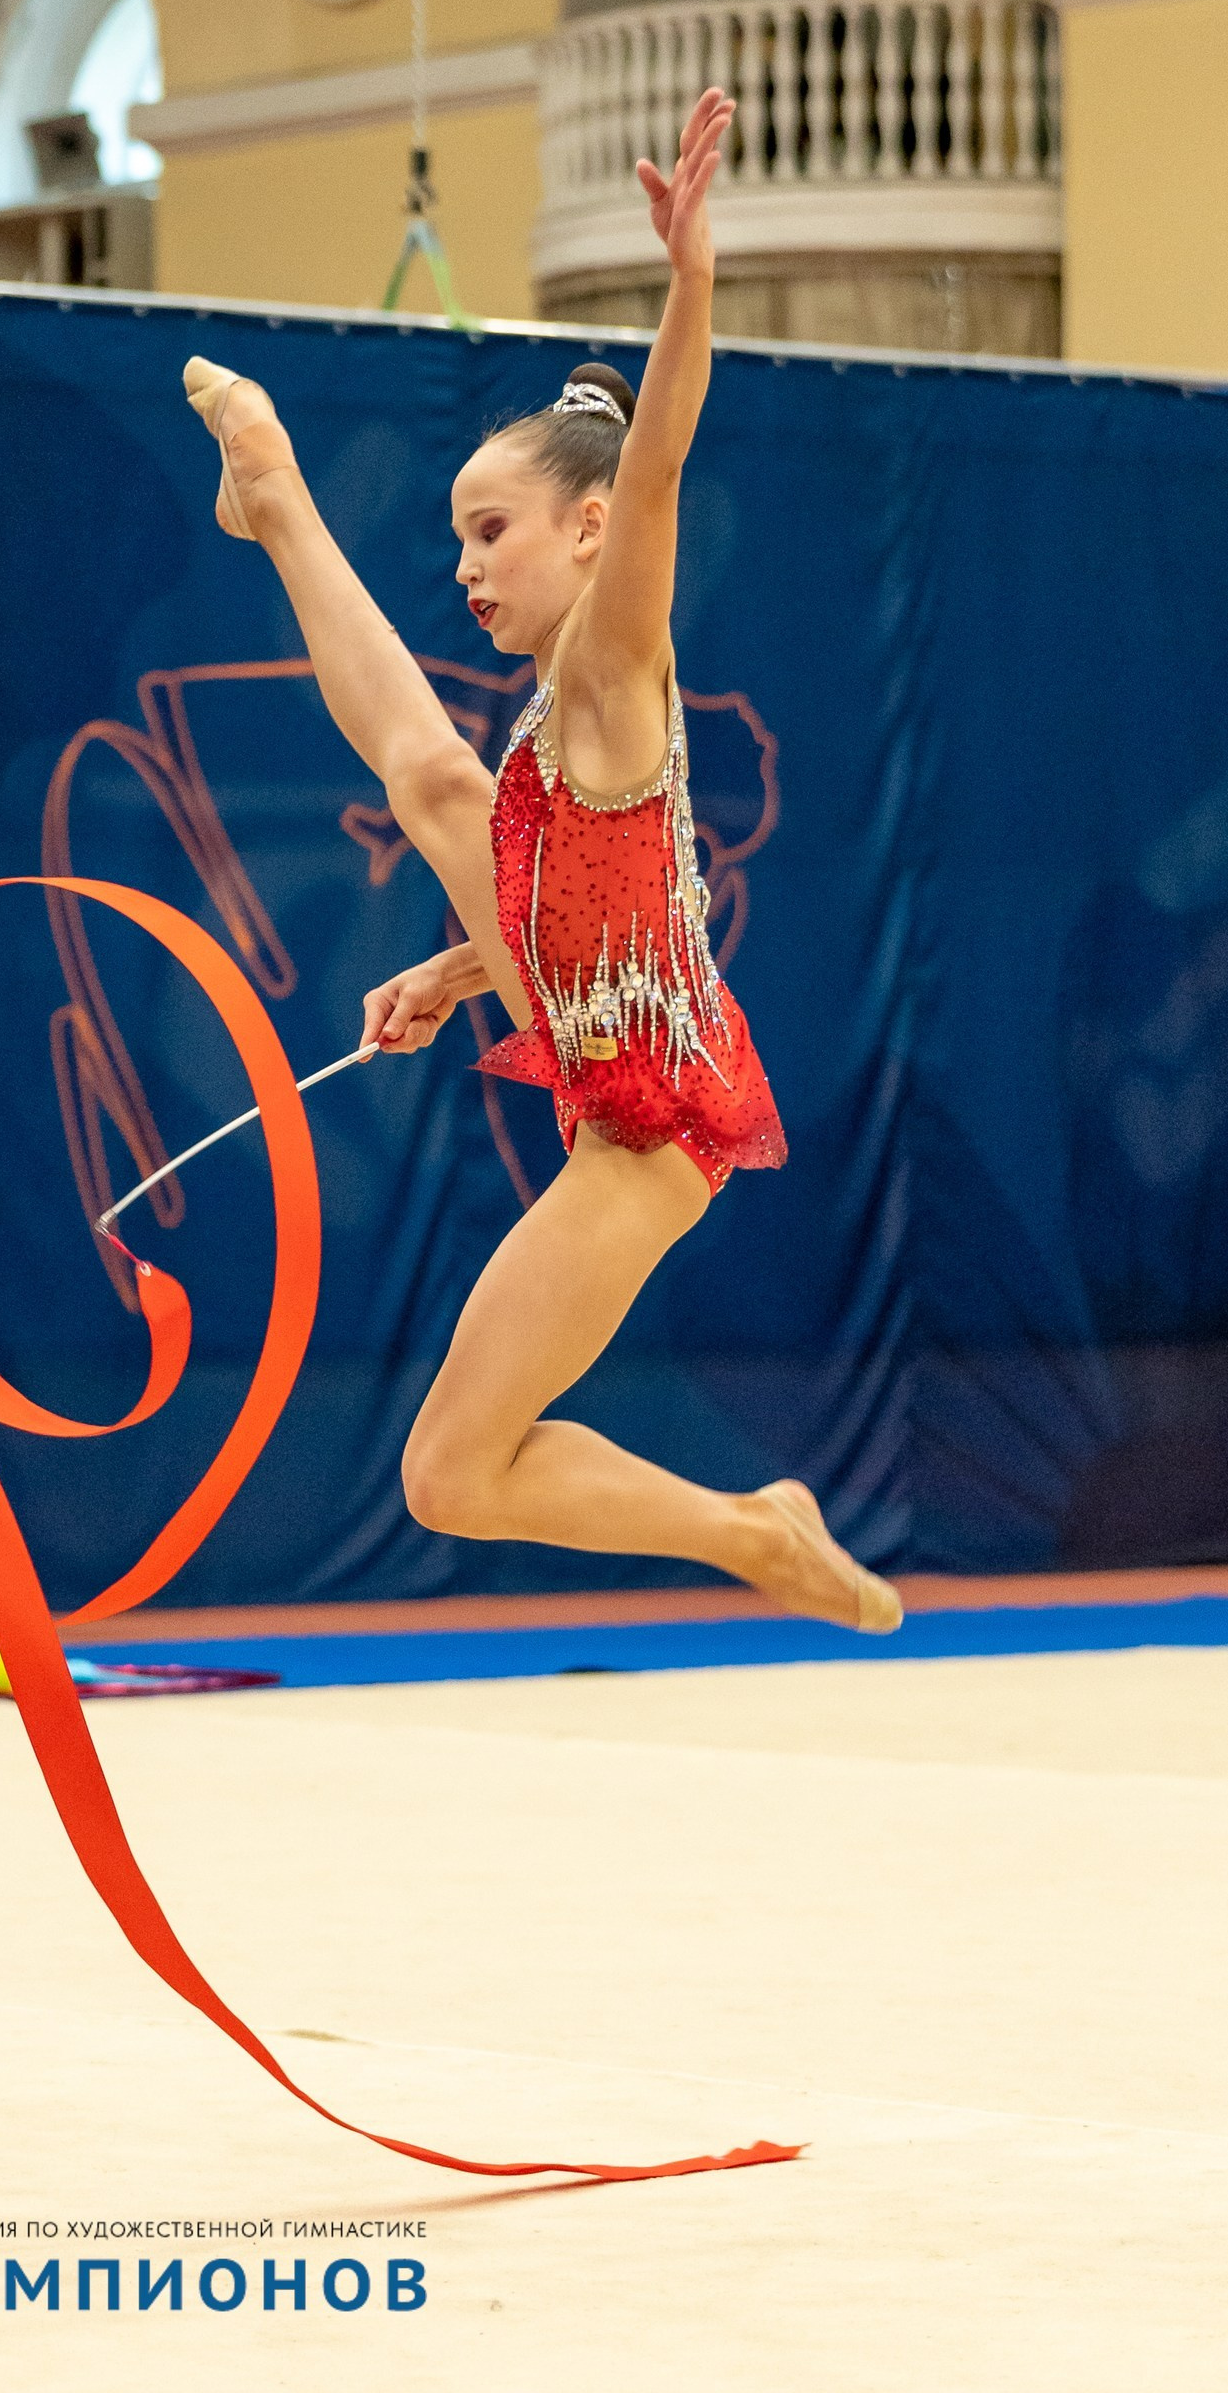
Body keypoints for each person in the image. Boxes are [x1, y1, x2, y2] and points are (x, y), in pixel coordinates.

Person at [182, 87, 901, 1633]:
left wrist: (690, 280)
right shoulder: (543, 739)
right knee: (439, 777)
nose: (463, 567)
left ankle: (757, 1533)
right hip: (614, 1066)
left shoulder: (610, 676)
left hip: (642, 1141)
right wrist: (458, 970)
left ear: (580, 536)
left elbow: (650, 470)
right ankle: (277, 495)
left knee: (450, 1475)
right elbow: (587, 909)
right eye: (453, 538)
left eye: (488, 531)